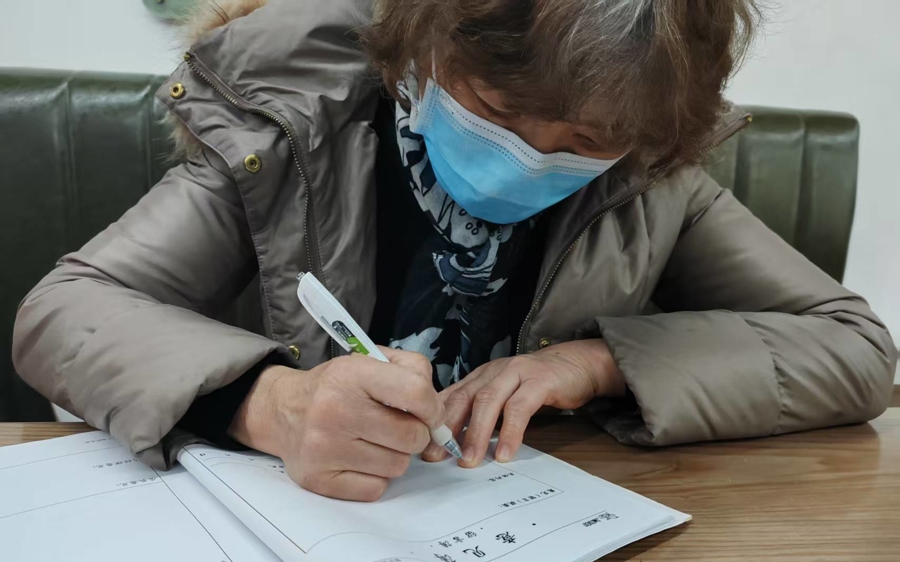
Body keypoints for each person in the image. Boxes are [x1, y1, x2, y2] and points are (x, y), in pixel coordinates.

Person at [13, 0, 897, 502]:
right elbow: (66, 311)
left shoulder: (650, 175)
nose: (532, 157)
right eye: (500, 112)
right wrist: (273, 404)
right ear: (420, 42)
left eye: (585, 138)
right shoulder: (291, 131)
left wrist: (595, 363)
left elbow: (855, 347)